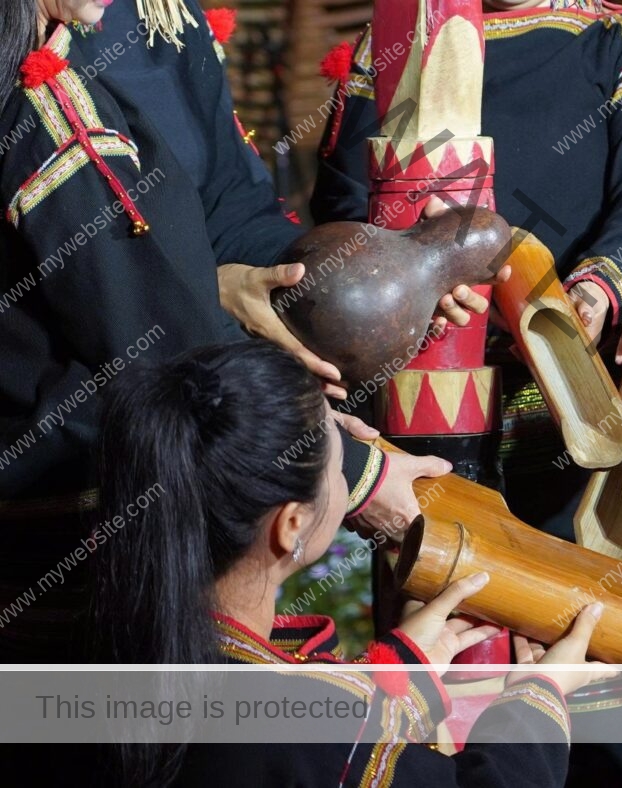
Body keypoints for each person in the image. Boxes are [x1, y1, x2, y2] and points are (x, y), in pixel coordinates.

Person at [0, 0, 489, 660]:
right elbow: (144, 321)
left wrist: (377, 274)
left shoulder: (156, 20)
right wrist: (346, 467)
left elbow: (230, 209)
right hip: (74, 487)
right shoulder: (43, 107)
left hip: (183, 435)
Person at [87, 339, 615, 787]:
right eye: (341, 470)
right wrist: (540, 698)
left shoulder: (111, 646)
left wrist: (398, 670)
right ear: (291, 524)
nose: (349, 484)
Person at [311, 0, 622, 536]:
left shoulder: (620, 39)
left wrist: (595, 291)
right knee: (434, 596)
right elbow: (344, 199)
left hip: (569, 384)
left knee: (574, 596)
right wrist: (413, 272)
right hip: (419, 382)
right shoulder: (393, 40)